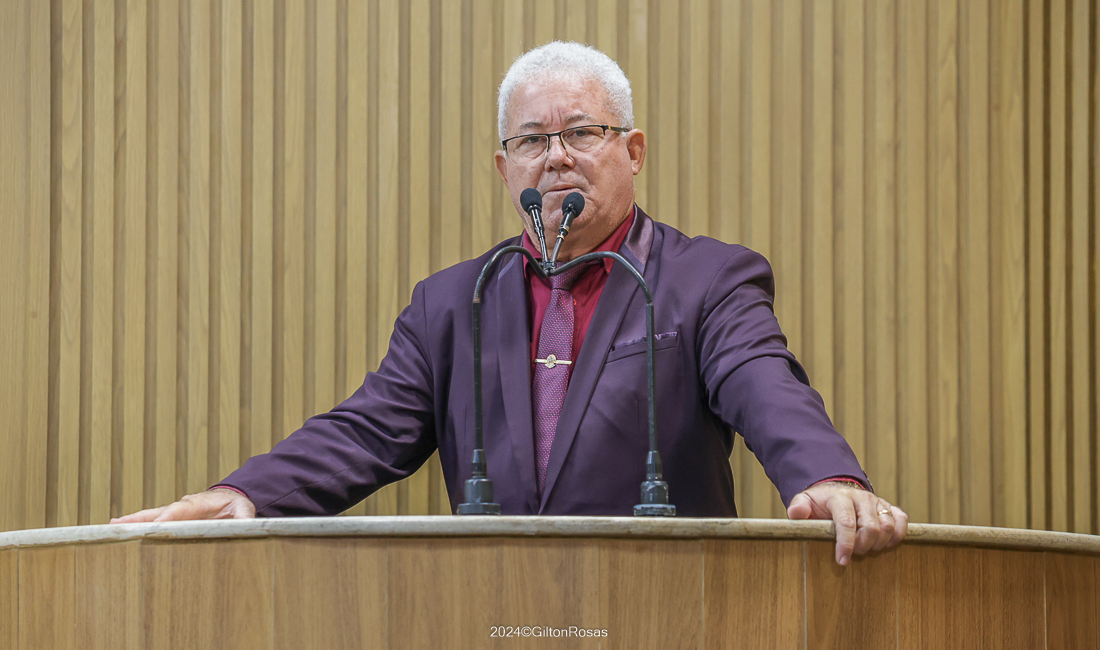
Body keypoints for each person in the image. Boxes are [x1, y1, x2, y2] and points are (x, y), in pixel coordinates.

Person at [114, 41, 907, 566]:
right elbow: (367, 429)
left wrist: (829, 475)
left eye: (583, 132)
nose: (556, 157)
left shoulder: (705, 279)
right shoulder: (453, 303)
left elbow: (764, 381)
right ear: (505, 168)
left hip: (669, 608)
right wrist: (247, 494)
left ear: (632, 151)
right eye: (531, 140)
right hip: (495, 614)